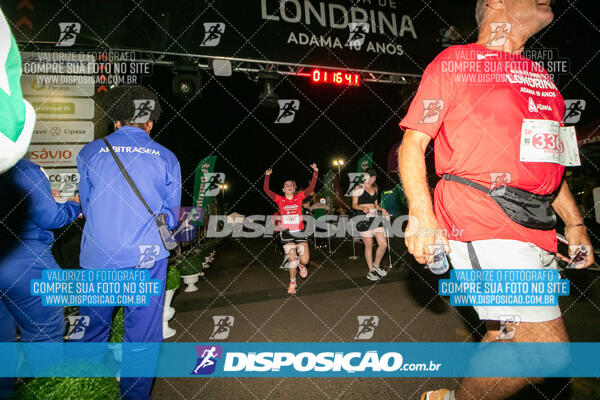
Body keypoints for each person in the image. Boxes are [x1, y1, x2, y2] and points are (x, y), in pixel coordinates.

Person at [398, 1, 593, 400]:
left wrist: (575, 224)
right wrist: (421, 214)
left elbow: (550, 165)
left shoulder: (543, 79)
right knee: (547, 352)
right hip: (480, 215)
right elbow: (413, 141)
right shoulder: (456, 61)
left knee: (504, 335)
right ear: (494, 3)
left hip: (538, 225)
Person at [74, 85, 181, 400]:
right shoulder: (166, 157)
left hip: (98, 257)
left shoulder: (90, 152)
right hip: (146, 261)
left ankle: (87, 392)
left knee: (90, 334)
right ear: (150, 123)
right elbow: (171, 217)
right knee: (142, 338)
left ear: (116, 120)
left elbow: (86, 206)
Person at [0, 159, 80, 396]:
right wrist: (74, 205)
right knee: (44, 336)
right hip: (27, 262)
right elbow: (51, 218)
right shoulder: (23, 168)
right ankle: (49, 390)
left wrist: (45, 195)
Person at [264, 164, 318, 294]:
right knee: (292, 259)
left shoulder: (299, 197)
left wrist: (315, 172)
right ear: (283, 189)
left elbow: (311, 187)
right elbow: (266, 190)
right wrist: (267, 176)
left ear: (294, 189)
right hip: (287, 233)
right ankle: (292, 282)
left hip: (299, 232)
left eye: (291, 185)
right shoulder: (280, 200)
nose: (289, 186)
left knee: (305, 260)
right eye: (286, 185)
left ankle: (301, 264)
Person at [351, 169, 389, 281]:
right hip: (363, 218)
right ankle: (371, 271)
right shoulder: (357, 188)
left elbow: (376, 205)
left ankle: (376, 266)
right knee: (369, 245)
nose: (373, 180)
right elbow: (354, 205)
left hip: (375, 218)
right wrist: (362, 208)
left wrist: (383, 210)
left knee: (383, 244)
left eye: (374, 178)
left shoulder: (376, 189)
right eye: (371, 177)